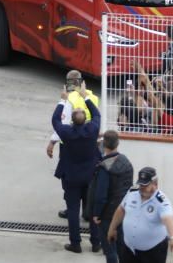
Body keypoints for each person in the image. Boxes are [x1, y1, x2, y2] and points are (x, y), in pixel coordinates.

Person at [52, 83, 102, 253]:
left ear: (72, 121)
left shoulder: (66, 132)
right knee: (93, 209)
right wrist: (85, 96)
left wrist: (63, 100)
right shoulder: (92, 130)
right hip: (90, 177)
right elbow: (96, 113)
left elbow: (55, 120)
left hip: (71, 177)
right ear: (85, 121)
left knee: (73, 211)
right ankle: (96, 243)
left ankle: (76, 243)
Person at [107, 167, 173, 262]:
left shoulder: (161, 200)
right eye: (140, 184)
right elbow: (121, 209)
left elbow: (168, 218)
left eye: (145, 185)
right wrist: (112, 228)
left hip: (153, 251)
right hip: (128, 249)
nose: (141, 187)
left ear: (155, 184)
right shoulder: (132, 192)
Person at [91, 131, 134, 263]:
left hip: (107, 214)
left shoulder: (104, 167)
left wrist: (96, 214)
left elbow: (101, 195)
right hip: (124, 211)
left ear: (103, 145)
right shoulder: (127, 162)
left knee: (110, 249)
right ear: (118, 143)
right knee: (122, 247)